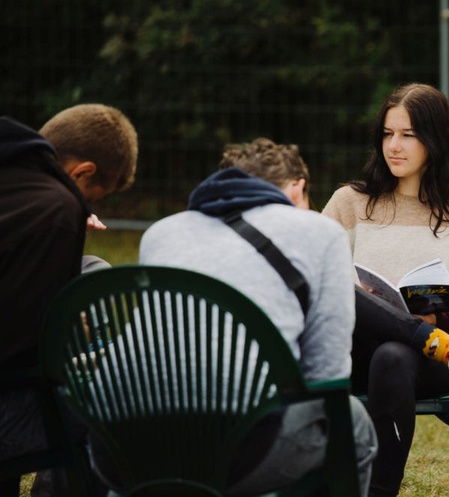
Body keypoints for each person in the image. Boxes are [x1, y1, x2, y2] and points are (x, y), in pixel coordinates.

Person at [112, 137, 378, 496]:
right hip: (239, 454)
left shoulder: (161, 232)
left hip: (125, 448)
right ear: (298, 189)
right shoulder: (322, 233)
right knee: (353, 421)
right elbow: (327, 377)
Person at [321, 83, 449, 496]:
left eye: (408, 135)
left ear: (436, 138)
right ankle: (443, 344)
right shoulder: (349, 203)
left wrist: (443, 315)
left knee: (393, 356)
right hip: (358, 350)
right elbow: (319, 277)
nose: (394, 145)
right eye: (388, 133)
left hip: (433, 363)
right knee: (351, 300)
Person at [0, 104, 138, 496]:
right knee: (119, 404)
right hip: (9, 408)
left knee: (92, 266)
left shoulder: (14, 174)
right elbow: (35, 347)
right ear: (83, 172)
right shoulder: (55, 208)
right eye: (94, 196)